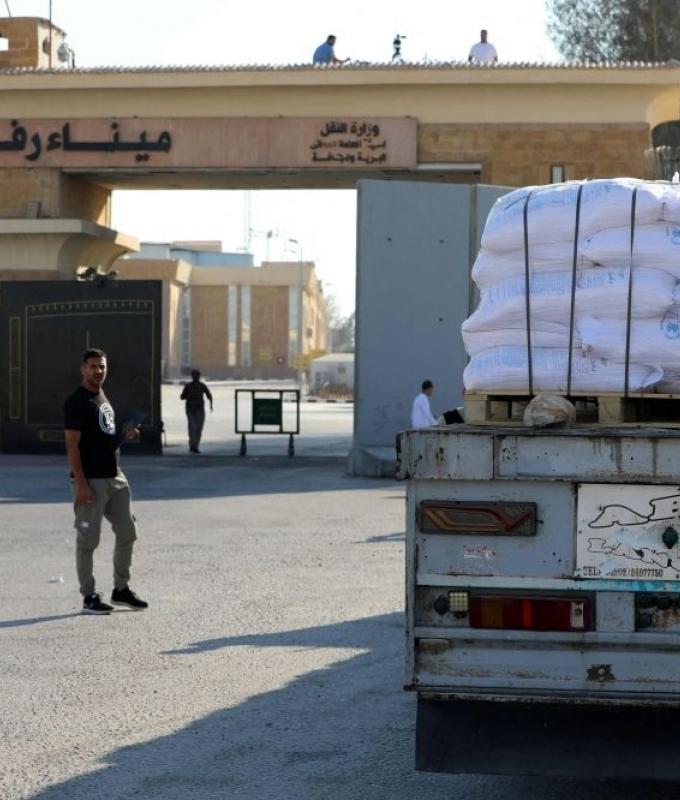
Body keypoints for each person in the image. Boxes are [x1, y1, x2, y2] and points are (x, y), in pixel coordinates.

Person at [63, 348, 148, 615]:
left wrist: (125, 435)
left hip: (115, 476)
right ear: (82, 369)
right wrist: (81, 484)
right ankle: (89, 596)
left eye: (102, 366)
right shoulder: (76, 401)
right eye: (93, 367)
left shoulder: (101, 395)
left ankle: (120, 589)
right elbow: (72, 446)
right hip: (91, 480)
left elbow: (105, 438)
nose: (98, 371)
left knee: (128, 532)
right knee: (88, 540)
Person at [180, 369, 213, 454]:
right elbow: (182, 397)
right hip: (191, 410)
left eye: (197, 376)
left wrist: (211, 405)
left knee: (198, 429)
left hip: (199, 410)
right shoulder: (189, 386)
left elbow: (209, 395)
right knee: (193, 428)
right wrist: (188, 395)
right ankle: (193, 446)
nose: (196, 377)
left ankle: (195, 445)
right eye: (194, 376)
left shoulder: (201, 386)